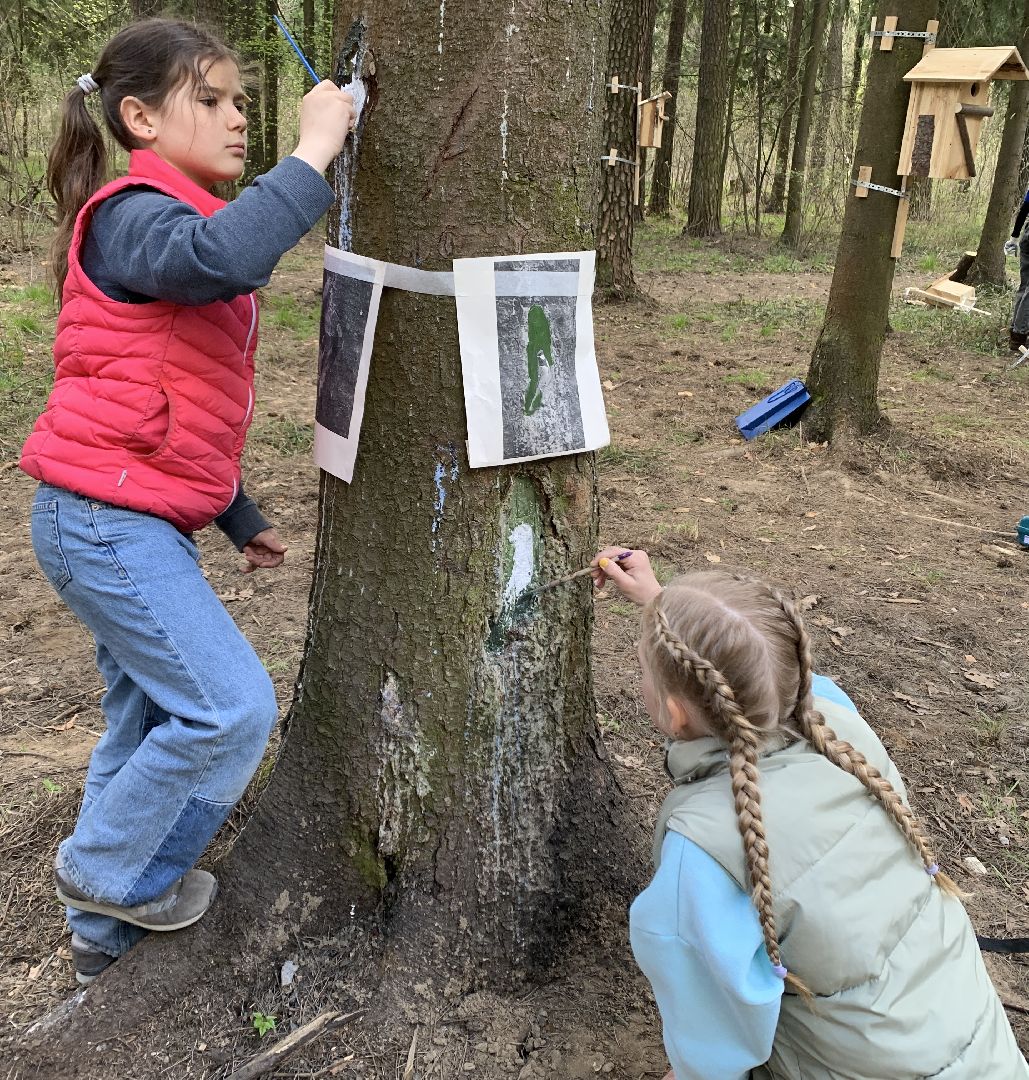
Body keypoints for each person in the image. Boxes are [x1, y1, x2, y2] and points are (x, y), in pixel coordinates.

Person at [20, 18, 355, 985]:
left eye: (243, 100)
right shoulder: (134, 215)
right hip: (103, 524)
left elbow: (165, 407)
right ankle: (106, 873)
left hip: (130, 519)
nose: (238, 117)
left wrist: (238, 515)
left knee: (145, 719)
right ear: (138, 118)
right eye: (209, 100)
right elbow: (224, 259)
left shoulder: (171, 219)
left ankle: (102, 947)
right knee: (228, 710)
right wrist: (315, 150)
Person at [591, 547, 1028, 1080]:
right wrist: (662, 605)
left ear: (676, 712)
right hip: (978, 1049)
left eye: (645, 674)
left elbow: (718, 1030)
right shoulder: (837, 717)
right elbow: (742, 669)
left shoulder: (702, 848)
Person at [1006, 186, 1029, 350]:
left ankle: (1015, 330)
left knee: (1024, 285)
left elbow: (1024, 209)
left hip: (1027, 235)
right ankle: (1019, 335)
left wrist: (1014, 237)